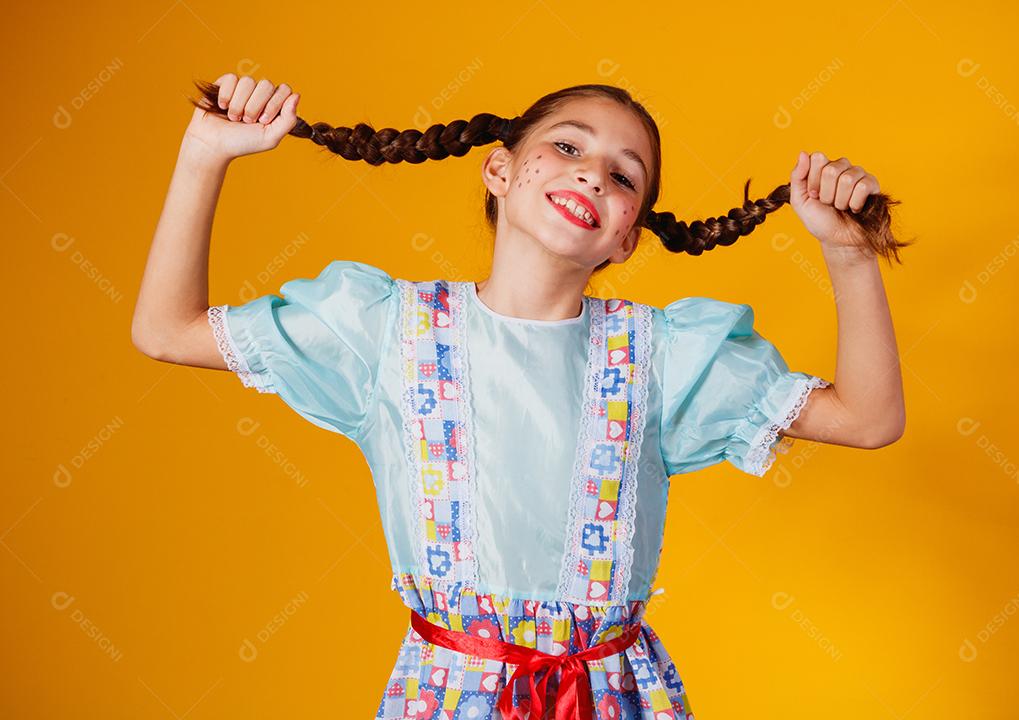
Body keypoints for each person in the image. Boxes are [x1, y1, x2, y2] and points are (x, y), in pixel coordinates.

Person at [132, 74, 908, 720]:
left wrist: (846, 252)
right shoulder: (385, 332)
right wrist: (205, 153)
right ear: (499, 171)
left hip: (613, 700)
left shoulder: (663, 357)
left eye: (622, 174)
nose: (592, 175)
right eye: (567, 147)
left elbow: (870, 419)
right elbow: (166, 330)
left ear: (626, 236)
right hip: (447, 697)